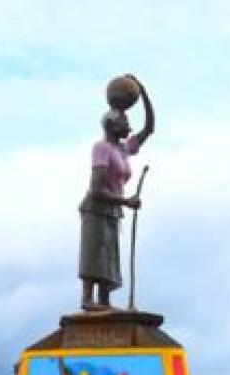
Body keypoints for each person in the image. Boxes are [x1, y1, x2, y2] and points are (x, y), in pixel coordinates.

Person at [78, 75, 155, 311]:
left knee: (108, 256)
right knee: (95, 250)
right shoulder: (101, 149)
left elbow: (149, 129)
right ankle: (87, 300)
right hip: (96, 208)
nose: (129, 127)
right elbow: (96, 189)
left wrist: (143, 93)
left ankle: (104, 301)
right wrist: (126, 201)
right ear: (112, 125)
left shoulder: (122, 150)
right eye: (124, 123)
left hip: (112, 211)